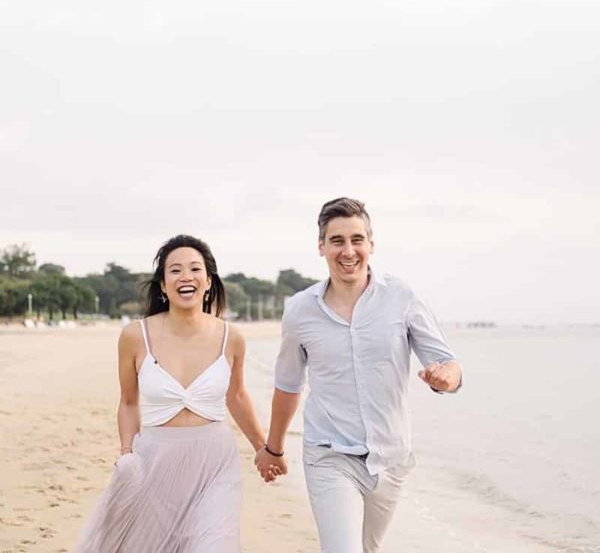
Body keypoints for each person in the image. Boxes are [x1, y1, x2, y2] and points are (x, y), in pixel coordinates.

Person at [255, 197, 462, 553]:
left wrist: (447, 379)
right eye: (337, 241)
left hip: (391, 458)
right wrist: (273, 448)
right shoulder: (301, 310)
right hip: (329, 454)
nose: (348, 251)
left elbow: (449, 364)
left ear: (371, 245)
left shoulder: (402, 297)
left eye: (356, 240)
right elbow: (288, 384)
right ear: (321, 247)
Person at [76, 234, 275, 552]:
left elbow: (236, 396)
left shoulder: (232, 337)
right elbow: (128, 402)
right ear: (163, 285)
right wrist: (127, 453)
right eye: (175, 270)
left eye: (195, 269)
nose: (186, 276)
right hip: (154, 460)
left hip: (215, 464)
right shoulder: (134, 336)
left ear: (208, 282)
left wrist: (264, 449)